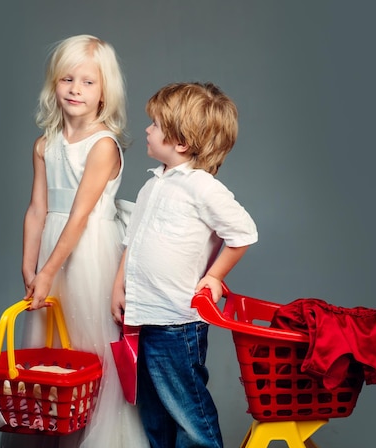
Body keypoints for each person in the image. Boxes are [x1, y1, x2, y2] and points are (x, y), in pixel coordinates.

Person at [0, 35, 149, 448]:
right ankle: (52, 429)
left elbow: (80, 216)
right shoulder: (44, 145)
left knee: (88, 346)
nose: (75, 90)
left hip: (89, 254)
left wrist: (47, 271)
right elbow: (36, 210)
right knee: (48, 347)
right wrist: (30, 267)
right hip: (51, 252)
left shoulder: (102, 146)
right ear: (54, 85)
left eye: (88, 82)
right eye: (67, 79)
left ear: (104, 94)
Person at [111, 82, 259, 448]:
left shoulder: (201, 187)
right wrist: (119, 284)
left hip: (177, 321)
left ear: (182, 142)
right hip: (145, 315)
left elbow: (243, 232)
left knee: (187, 410)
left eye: (156, 125)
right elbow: (133, 239)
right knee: (153, 411)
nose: (147, 129)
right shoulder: (153, 185)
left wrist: (214, 276)